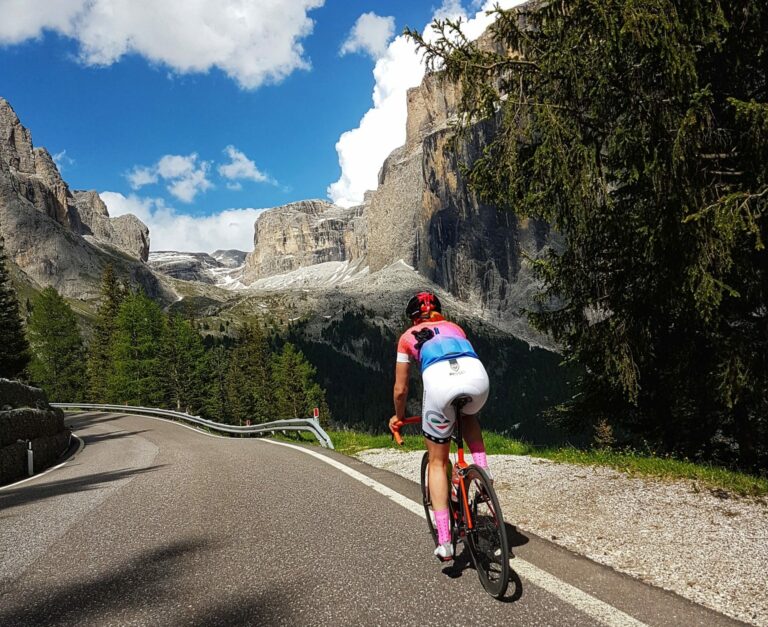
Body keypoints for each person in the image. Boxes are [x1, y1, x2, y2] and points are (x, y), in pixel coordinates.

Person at [388, 291, 490, 561]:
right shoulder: (455, 327)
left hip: (439, 384)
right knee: (467, 414)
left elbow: (401, 389)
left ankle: (445, 542)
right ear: (438, 311)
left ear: (412, 318)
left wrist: (398, 416)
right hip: (477, 378)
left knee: (437, 462)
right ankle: (483, 473)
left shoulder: (407, 338)